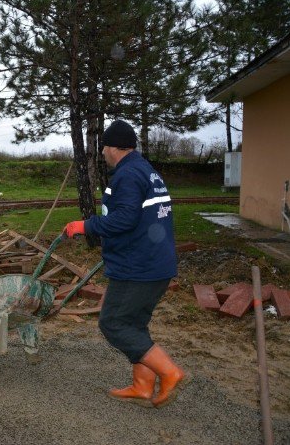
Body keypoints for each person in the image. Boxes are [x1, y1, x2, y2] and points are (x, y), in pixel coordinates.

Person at [64, 120, 186, 408]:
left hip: (138, 267)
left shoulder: (129, 175)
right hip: (152, 263)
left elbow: (125, 219)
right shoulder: (145, 170)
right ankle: (142, 387)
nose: (103, 152)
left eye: (104, 147)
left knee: (113, 323)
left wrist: (86, 225)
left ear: (112, 146)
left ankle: (170, 372)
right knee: (135, 324)